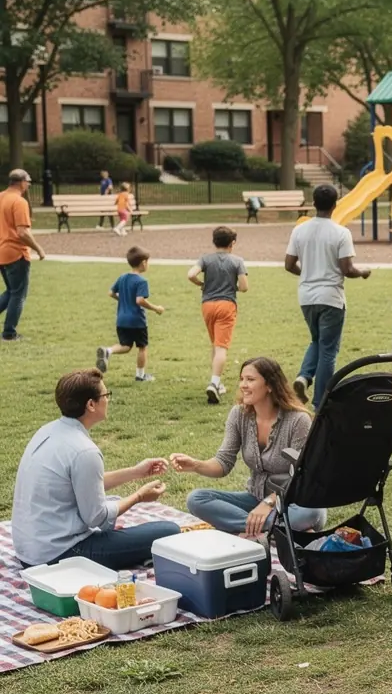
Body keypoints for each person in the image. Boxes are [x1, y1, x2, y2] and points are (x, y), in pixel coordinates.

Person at [12, 369, 180, 568]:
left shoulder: (47, 431)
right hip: (60, 556)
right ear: (91, 404)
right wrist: (139, 497)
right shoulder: (84, 451)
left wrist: (136, 472)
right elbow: (96, 517)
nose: (108, 400)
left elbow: (84, 484)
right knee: (168, 530)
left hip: (29, 551)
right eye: (105, 395)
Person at [170, 357, 327, 538]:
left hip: (294, 502)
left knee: (309, 514)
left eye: (250, 380)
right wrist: (196, 465)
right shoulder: (239, 414)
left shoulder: (298, 420)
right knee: (196, 499)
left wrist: (269, 503)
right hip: (254, 499)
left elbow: (302, 475)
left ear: (270, 385)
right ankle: (274, 530)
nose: (243, 385)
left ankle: (257, 529)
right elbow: (224, 462)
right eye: (242, 379)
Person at [285, 184, 371, 410]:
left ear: (313, 203)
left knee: (317, 340)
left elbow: (289, 264)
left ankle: (304, 377)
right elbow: (347, 268)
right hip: (331, 297)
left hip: (306, 296)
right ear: (335, 204)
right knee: (329, 349)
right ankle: (320, 401)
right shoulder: (341, 233)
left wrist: (308, 274)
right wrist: (362, 273)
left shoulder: (299, 230)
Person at [188, 226, 248, 404]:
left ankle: (218, 382)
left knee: (214, 344)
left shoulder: (206, 259)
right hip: (226, 305)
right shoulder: (237, 261)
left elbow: (190, 274)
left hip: (207, 305)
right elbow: (244, 287)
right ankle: (214, 383)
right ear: (233, 243)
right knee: (222, 347)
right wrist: (232, 287)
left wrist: (201, 283)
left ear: (214, 241)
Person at [96, 246, 163, 382]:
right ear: (143, 263)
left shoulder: (123, 277)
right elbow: (140, 300)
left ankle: (108, 351)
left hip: (121, 319)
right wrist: (156, 308)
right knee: (142, 347)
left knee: (125, 346)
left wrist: (123, 299)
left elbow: (111, 293)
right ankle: (140, 375)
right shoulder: (141, 281)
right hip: (136, 320)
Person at [0, 168, 45, 342]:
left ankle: (8, 331)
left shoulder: (1, 197)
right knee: (18, 294)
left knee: (11, 291)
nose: (29, 185)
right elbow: (22, 233)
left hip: (1, 251)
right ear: (22, 182)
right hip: (15, 253)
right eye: (28, 181)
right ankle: (9, 333)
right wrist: (38, 248)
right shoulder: (19, 202)